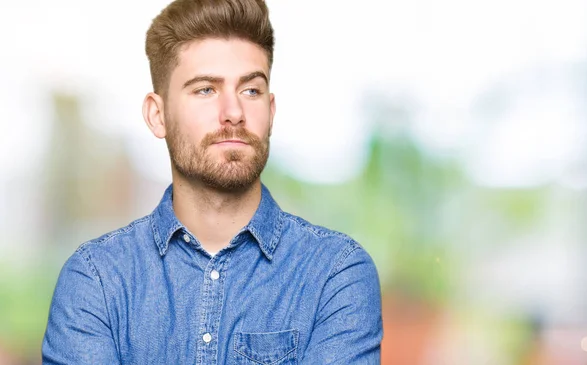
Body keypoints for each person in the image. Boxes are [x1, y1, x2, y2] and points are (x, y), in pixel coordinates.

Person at [41, 0, 383, 363]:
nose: (234, 113)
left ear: (271, 111)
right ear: (158, 116)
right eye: (205, 89)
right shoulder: (97, 280)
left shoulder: (335, 274)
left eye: (251, 90)